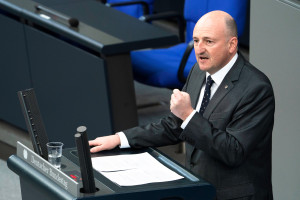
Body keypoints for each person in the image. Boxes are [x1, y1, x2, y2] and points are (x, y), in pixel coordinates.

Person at [89, 10, 275, 200]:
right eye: (196, 41)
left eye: (209, 41)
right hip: (199, 188)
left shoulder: (256, 89)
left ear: (232, 44)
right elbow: (176, 126)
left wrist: (188, 115)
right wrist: (120, 138)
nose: (199, 49)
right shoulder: (198, 71)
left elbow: (233, 152)